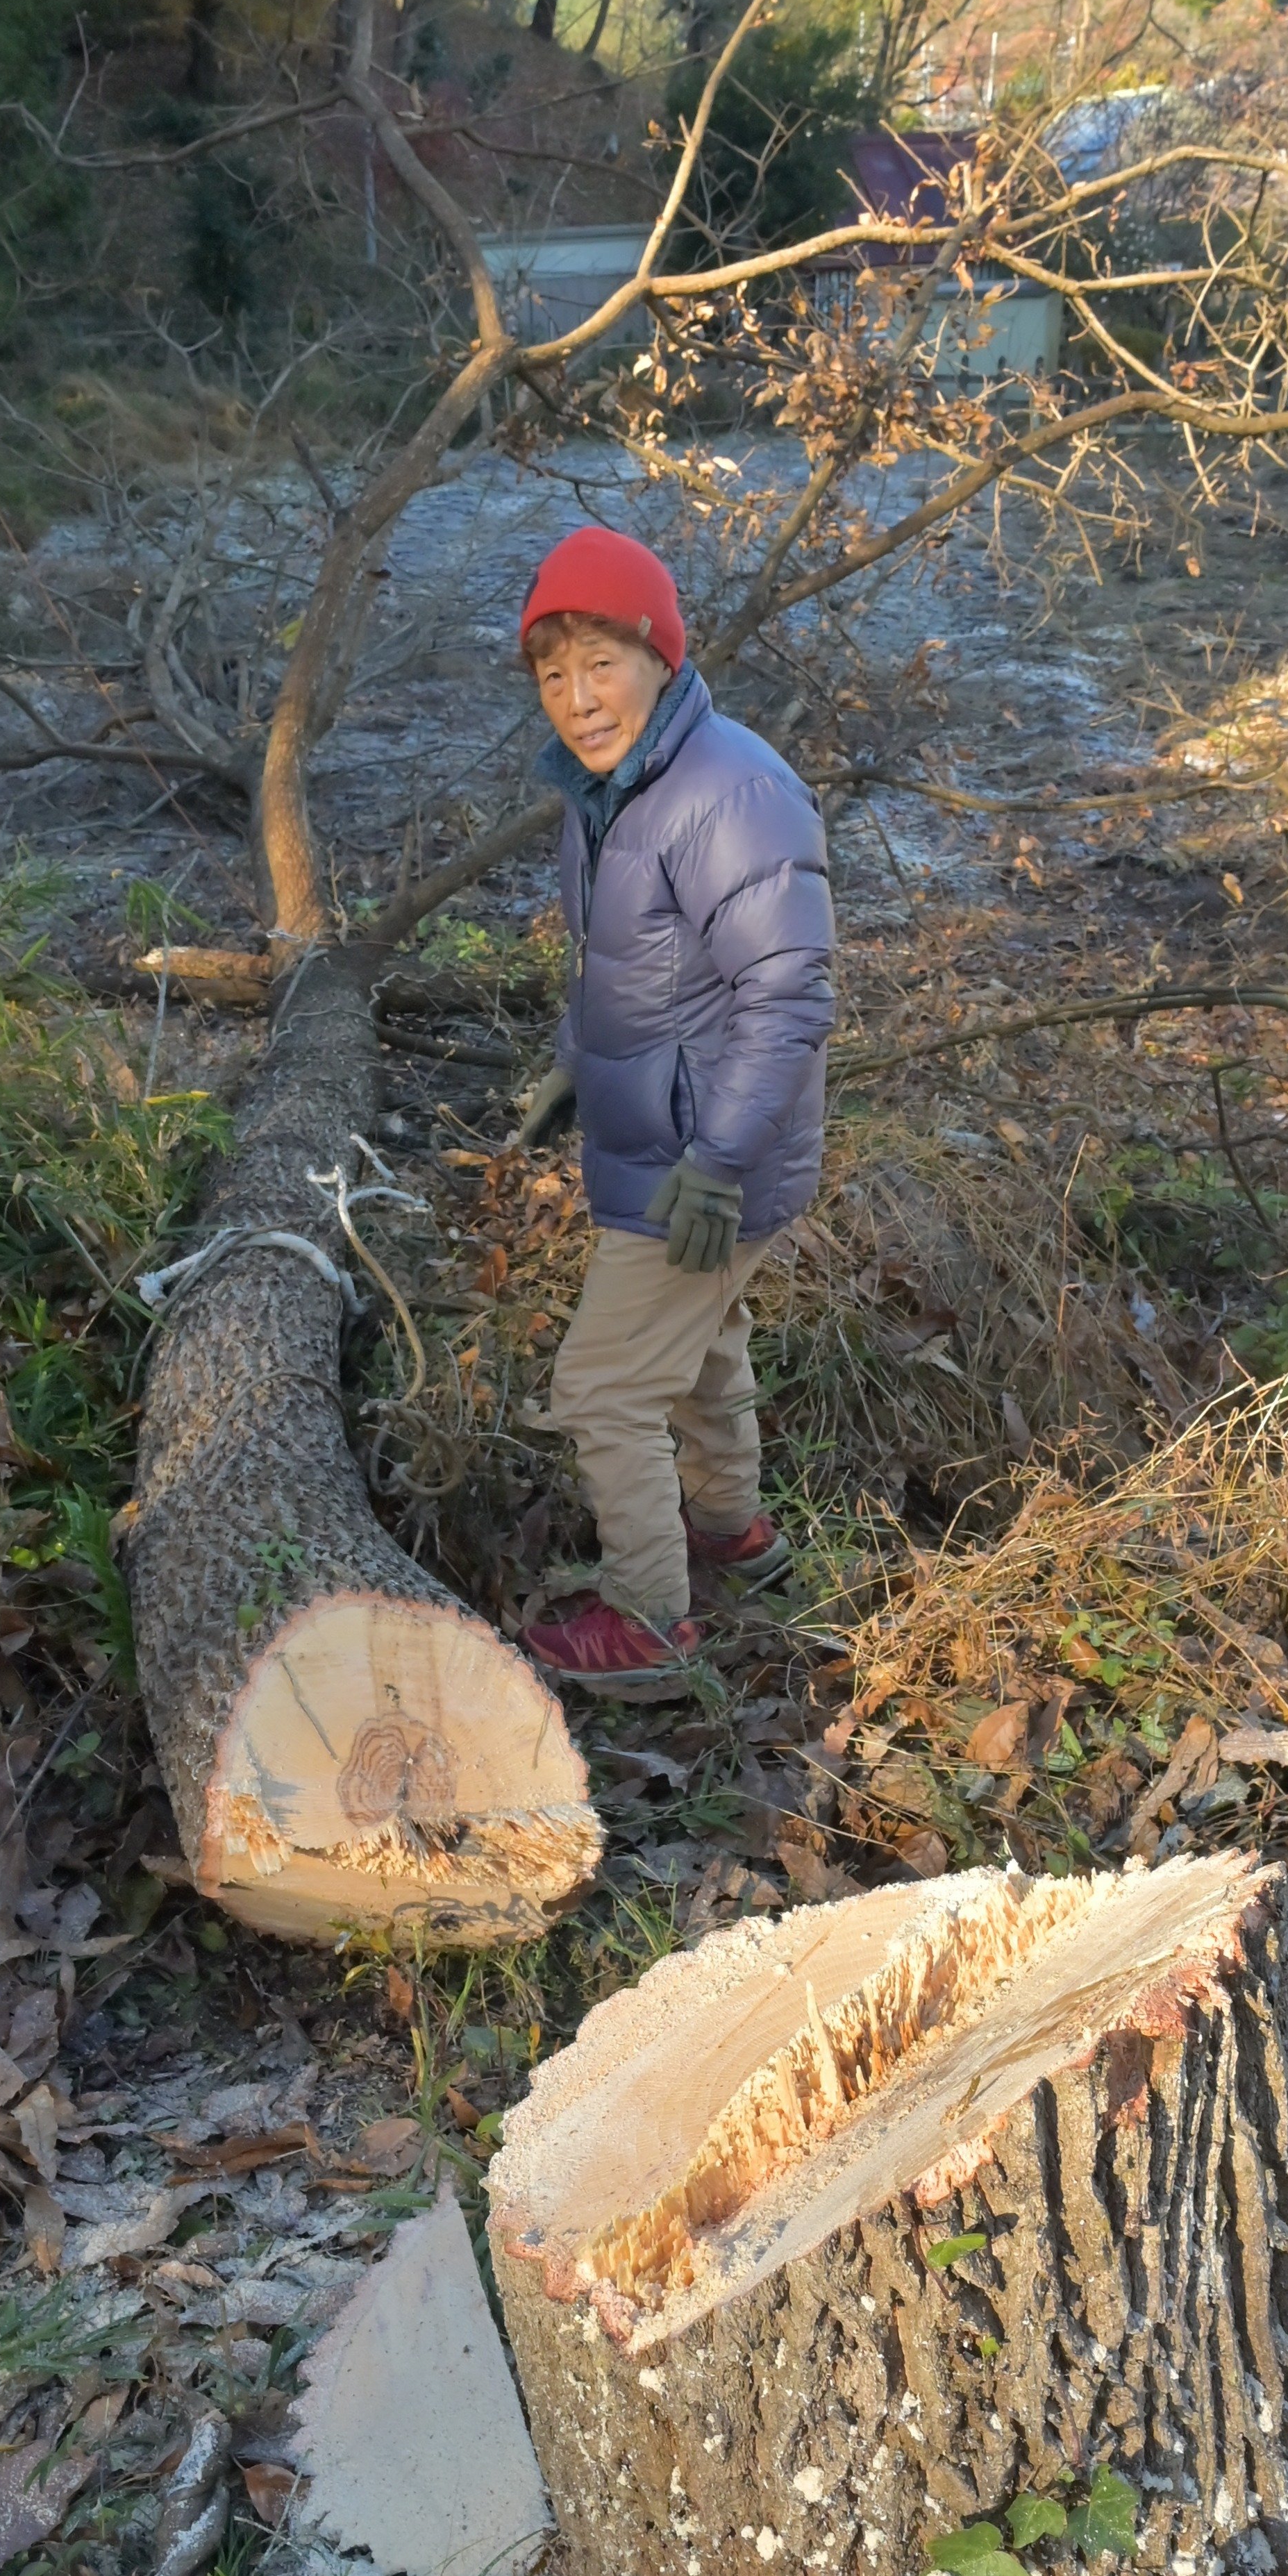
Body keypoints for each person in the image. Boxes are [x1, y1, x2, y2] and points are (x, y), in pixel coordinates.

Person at [508, 523, 834, 1698]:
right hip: (668, 1137)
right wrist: (571, 1069)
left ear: (657, 653)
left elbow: (787, 991)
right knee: (703, 1349)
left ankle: (648, 1620)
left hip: (709, 1155)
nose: (578, 699)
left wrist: (718, 1159)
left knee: (603, 1385)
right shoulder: (608, 797)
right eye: (554, 675)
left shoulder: (728, 790)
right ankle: (732, 1534)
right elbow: (619, 971)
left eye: (600, 662)